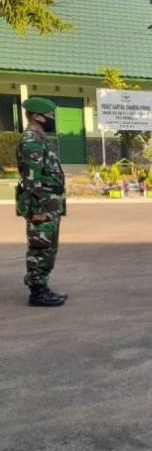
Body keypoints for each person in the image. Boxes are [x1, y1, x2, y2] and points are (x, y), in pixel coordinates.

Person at [16, 97, 67, 307]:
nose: (52, 119)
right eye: (50, 116)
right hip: (42, 205)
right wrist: (37, 209)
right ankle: (37, 292)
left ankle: (43, 287)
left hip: (50, 203)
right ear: (36, 116)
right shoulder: (31, 140)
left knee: (48, 247)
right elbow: (31, 178)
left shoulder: (39, 137)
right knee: (40, 246)